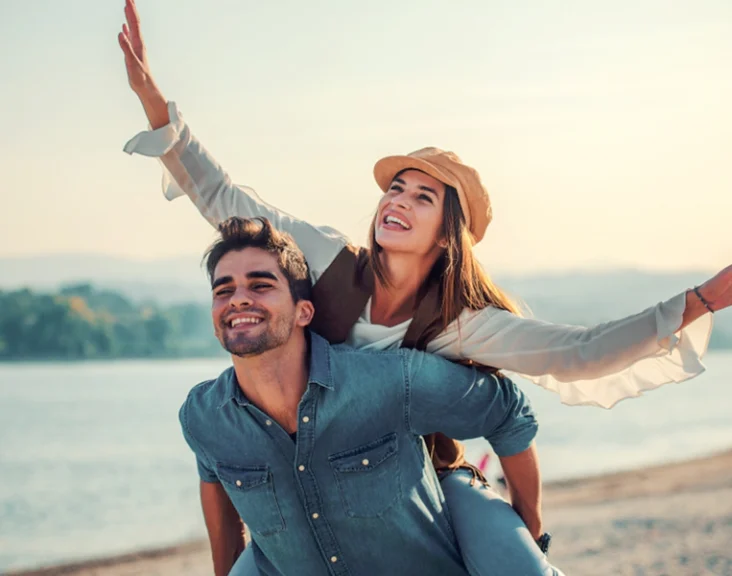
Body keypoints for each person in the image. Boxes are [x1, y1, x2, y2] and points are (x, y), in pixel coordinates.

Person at [117, 0, 732, 572]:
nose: (398, 202)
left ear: (447, 233)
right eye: (395, 188)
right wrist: (155, 104)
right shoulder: (330, 258)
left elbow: (580, 353)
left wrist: (703, 299)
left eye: (422, 196)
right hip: (318, 482)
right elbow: (226, 198)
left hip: (430, 478)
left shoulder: (464, 321)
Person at [182, 216, 563, 575]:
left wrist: (530, 534)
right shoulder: (204, 417)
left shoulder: (390, 381)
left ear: (303, 311)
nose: (239, 299)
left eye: (260, 285)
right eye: (223, 290)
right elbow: (222, 512)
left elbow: (506, 412)